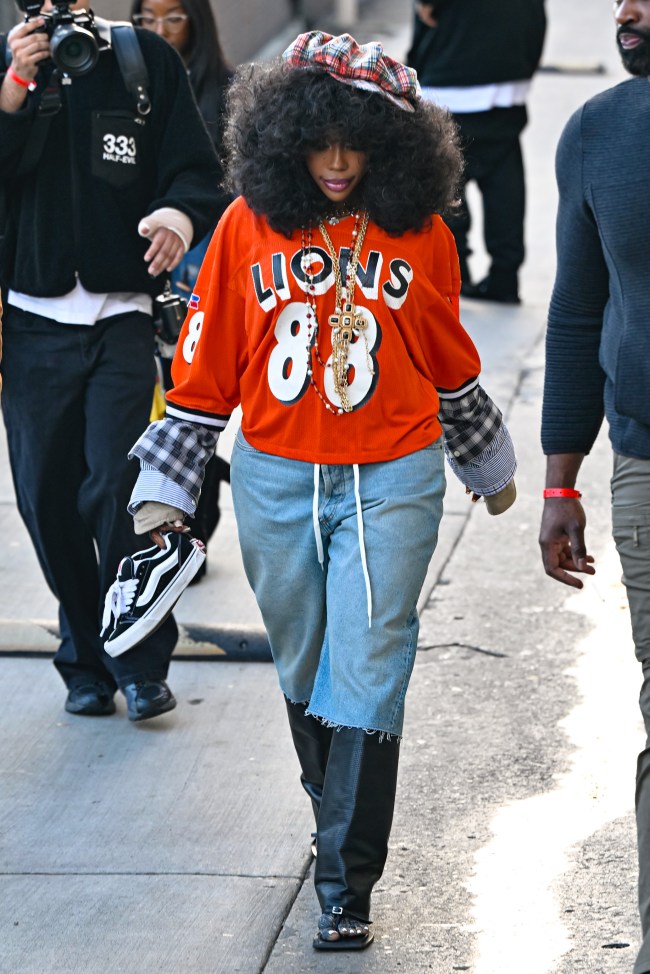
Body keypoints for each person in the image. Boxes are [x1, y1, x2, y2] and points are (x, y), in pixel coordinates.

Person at [123, 32, 517, 948]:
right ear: (284, 136)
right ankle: (332, 814)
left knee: (372, 655)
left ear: (392, 143)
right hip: (273, 477)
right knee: (305, 664)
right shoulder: (245, 228)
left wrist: (484, 463)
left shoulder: (420, 233)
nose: (338, 163)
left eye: (358, 143)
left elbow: (446, 358)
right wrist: (165, 492)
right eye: (320, 141)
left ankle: (346, 883)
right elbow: (207, 370)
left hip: (395, 470)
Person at [0, 0, 222, 721]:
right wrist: (12, 92)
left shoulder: (141, 62)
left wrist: (176, 217)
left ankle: (140, 663)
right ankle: (84, 656)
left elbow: (197, 171)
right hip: (30, 325)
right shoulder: (10, 64)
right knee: (46, 500)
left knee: (119, 492)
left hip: (123, 320)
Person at [539, 2, 650, 971]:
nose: (626, 11)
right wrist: (557, 480)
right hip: (645, 464)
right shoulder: (595, 133)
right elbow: (576, 309)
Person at [130, 0, 233, 579]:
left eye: (173, 17)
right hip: (145, 261)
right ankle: (160, 531)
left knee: (190, 406)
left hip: (206, 267)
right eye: (147, 19)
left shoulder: (227, 87)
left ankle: (195, 529)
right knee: (154, 410)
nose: (160, 30)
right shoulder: (126, 78)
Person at [407, 0, 546, 304]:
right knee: (504, 180)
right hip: (509, 63)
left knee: (447, 181)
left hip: (453, 67)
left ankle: (456, 273)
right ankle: (505, 276)